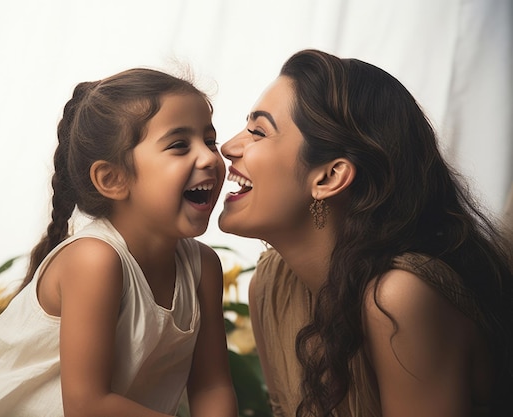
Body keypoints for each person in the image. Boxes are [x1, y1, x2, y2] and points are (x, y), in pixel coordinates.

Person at [0, 68, 237, 417]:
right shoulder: (96, 260)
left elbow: (212, 386)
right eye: (180, 145)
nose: (211, 157)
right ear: (113, 179)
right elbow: (88, 406)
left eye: (209, 140)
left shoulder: (202, 268)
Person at [218, 49, 513, 417]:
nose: (228, 148)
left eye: (258, 132)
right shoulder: (270, 285)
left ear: (329, 177)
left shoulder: (399, 297)